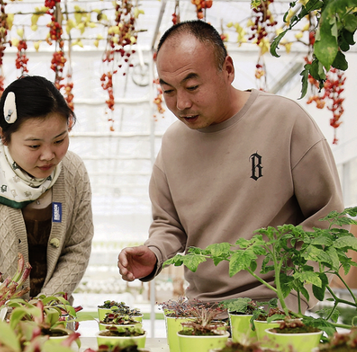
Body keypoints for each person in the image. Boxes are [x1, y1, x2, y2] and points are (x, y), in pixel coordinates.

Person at [117, 21, 343, 309]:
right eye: (169, 90)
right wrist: (155, 253)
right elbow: (169, 224)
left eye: (192, 86)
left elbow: (328, 219)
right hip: (203, 312)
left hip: (275, 308)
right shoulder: (173, 143)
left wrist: (293, 304)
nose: (181, 103)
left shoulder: (285, 121)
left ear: (227, 70)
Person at [0, 75, 93, 300]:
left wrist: (45, 307)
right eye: (34, 145)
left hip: (53, 317)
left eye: (59, 140)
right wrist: (11, 312)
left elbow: (77, 248)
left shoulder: (73, 170)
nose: (49, 155)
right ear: (4, 136)